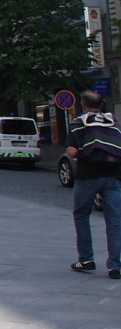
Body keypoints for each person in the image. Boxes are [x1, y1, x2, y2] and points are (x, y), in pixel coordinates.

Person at [66, 91, 121, 279]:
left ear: (83, 105)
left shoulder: (79, 122)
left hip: (87, 175)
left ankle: (86, 259)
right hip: (113, 176)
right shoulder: (113, 121)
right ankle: (115, 266)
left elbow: (72, 152)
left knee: (81, 215)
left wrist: (83, 153)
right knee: (114, 221)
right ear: (102, 105)